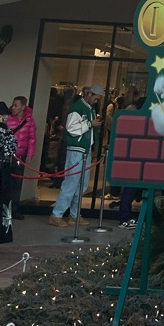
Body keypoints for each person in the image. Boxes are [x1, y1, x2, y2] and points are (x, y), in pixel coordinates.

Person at [48, 85, 101, 227]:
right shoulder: (77, 108)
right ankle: (57, 214)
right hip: (76, 150)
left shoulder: (89, 108)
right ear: (89, 94)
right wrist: (90, 124)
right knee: (71, 183)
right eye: (96, 98)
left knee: (81, 184)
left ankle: (74, 214)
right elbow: (71, 128)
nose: (96, 101)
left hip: (84, 149)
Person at [0, 103, 19, 242]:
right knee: (4, 199)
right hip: (4, 169)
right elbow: (12, 148)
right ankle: (3, 231)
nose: (6, 118)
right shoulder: (8, 131)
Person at [6, 95, 37, 220]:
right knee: (5, 183)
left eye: (16, 105)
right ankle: (3, 209)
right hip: (7, 155)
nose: (13, 108)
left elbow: (32, 139)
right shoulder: (8, 118)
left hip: (20, 156)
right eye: (12, 105)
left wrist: (30, 154)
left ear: (23, 107)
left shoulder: (29, 120)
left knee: (17, 184)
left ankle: (14, 210)